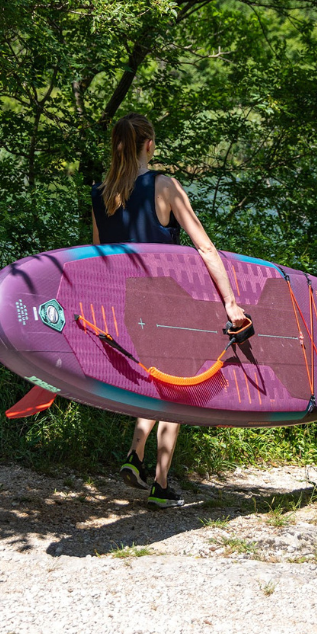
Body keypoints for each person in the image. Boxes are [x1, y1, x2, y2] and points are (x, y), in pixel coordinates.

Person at [91, 112, 248, 508]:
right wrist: (231, 302)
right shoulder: (164, 185)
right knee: (177, 390)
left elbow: (97, 259)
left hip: (125, 306)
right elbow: (205, 247)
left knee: (155, 383)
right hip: (165, 304)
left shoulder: (100, 193)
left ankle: (134, 457)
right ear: (149, 144)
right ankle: (161, 486)